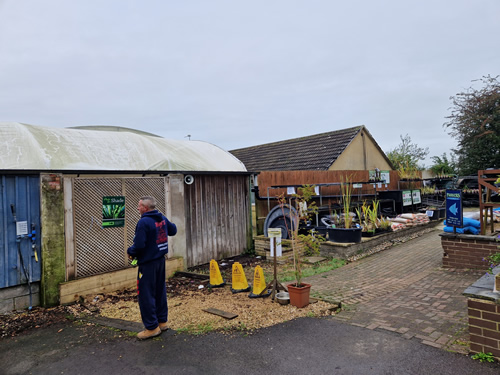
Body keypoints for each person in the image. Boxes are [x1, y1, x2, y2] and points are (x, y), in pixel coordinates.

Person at [127, 196, 177, 340]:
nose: (137, 208)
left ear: (145, 208)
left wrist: (130, 251)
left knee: (146, 295)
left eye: (139, 205)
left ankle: (151, 328)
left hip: (147, 264)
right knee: (159, 291)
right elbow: (173, 230)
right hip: (160, 262)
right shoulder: (160, 217)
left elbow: (139, 245)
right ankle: (162, 322)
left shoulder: (144, 222)